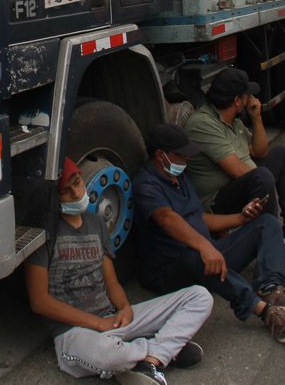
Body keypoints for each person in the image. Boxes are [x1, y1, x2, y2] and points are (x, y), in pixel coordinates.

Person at [25, 157, 213, 384]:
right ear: (54, 198)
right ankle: (159, 352)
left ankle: (148, 361)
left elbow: (111, 282)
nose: (77, 193)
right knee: (112, 355)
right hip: (73, 333)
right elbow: (40, 301)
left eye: (77, 182)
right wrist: (96, 324)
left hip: (112, 320)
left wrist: (124, 308)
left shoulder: (95, 223)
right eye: (66, 191)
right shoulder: (44, 233)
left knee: (200, 296)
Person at [133, 124, 285, 345]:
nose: (186, 160)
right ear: (161, 156)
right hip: (171, 271)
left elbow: (198, 218)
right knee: (194, 254)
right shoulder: (145, 184)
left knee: (266, 223)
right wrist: (205, 246)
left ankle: (271, 290)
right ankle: (263, 311)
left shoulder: (179, 178)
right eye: (181, 155)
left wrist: (241, 218)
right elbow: (166, 218)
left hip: (208, 259)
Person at [182, 68, 285, 276]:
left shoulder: (233, 121)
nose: (251, 99)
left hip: (241, 182)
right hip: (215, 202)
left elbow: (260, 151)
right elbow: (238, 171)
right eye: (247, 96)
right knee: (261, 177)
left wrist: (257, 118)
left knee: (283, 155)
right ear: (236, 100)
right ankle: (275, 251)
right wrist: (264, 180)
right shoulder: (204, 124)